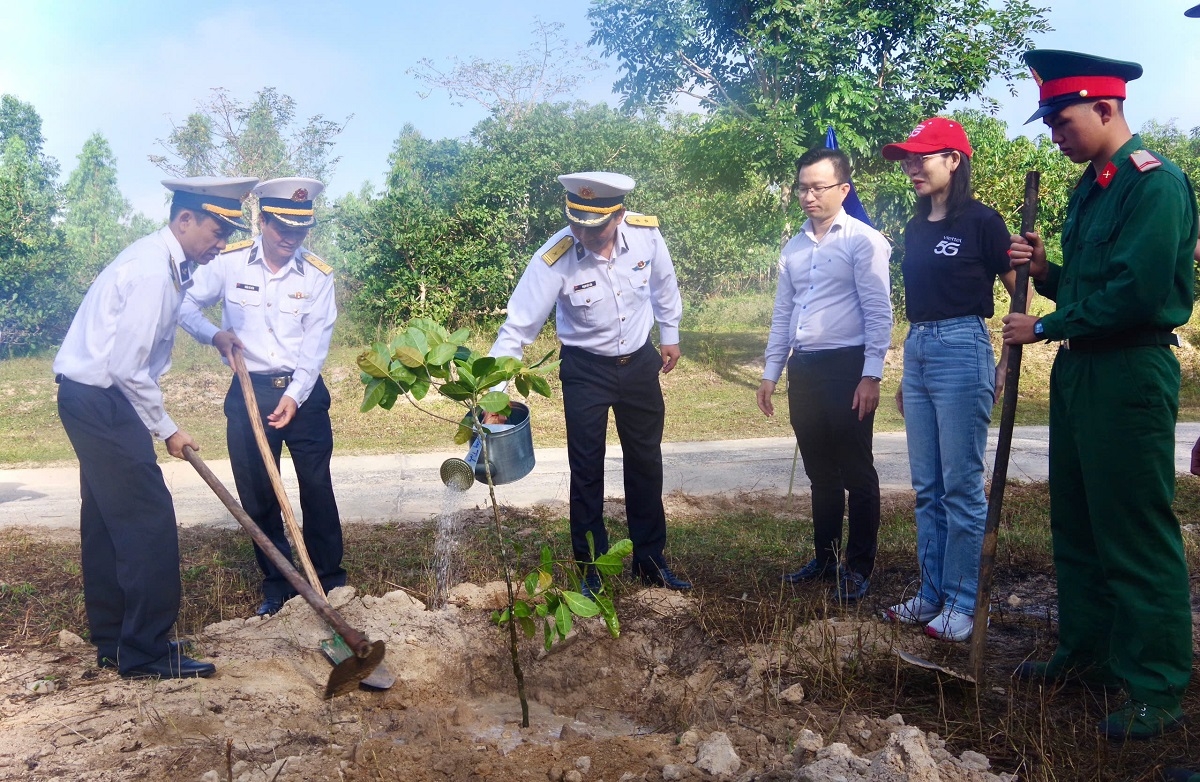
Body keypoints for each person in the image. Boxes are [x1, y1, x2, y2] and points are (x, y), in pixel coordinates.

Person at [1003, 50, 1196, 742]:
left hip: (1128, 371)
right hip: (1082, 371)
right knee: (1078, 522)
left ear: (1106, 109)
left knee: (1134, 533)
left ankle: (1156, 685)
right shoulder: (1094, 186)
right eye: (1051, 123)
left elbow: (1139, 295)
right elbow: (1092, 286)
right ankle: (1087, 655)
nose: (1055, 134)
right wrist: (1046, 270)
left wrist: (1046, 324)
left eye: (1062, 121)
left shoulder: (1155, 183)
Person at [54, 175, 257, 679]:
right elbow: (127, 368)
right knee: (148, 521)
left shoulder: (169, 264)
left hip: (92, 398)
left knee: (106, 521)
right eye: (216, 230)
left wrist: (214, 337)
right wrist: (168, 428)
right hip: (104, 399)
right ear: (184, 220)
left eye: (228, 233)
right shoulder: (151, 270)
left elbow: (168, 325)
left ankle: (115, 642)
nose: (222, 243)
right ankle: (144, 651)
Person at [487, 171, 689, 595]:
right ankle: (590, 569)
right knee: (586, 470)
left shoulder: (646, 235)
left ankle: (651, 562)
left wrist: (669, 334)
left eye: (594, 227)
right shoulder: (554, 256)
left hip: (639, 364)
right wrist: (494, 392)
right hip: (585, 371)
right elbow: (517, 329)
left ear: (618, 215)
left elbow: (664, 284)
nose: (583, 233)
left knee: (645, 464)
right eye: (576, 223)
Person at [180, 178, 344, 617]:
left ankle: (330, 581)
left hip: (303, 394)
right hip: (248, 391)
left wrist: (293, 395)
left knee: (316, 487)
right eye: (282, 229)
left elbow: (315, 345)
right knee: (258, 495)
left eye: (300, 230)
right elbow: (184, 304)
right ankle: (279, 583)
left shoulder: (318, 276)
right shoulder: (229, 263)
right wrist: (214, 335)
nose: (291, 238)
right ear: (262, 220)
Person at [879, 117, 1016, 642]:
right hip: (919, 348)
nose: (912, 167)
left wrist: (1004, 362)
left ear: (953, 161)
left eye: (922, 157)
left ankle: (963, 602)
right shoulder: (915, 228)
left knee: (960, 486)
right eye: (908, 159)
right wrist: (907, 370)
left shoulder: (984, 222)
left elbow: (1017, 293)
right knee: (926, 487)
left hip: (964, 347)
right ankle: (931, 592)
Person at [756, 147, 893, 603]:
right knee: (820, 471)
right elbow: (782, 315)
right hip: (806, 368)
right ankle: (825, 558)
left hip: (848, 366)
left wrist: (871, 373)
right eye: (802, 187)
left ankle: (858, 567)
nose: (809, 195)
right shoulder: (793, 247)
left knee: (857, 470)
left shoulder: (863, 240)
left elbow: (878, 312)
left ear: (843, 190)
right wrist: (771, 373)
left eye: (819, 187)